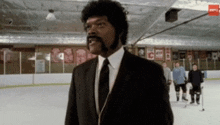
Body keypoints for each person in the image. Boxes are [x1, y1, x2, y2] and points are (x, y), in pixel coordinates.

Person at [65, 0, 173, 125]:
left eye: (100, 25)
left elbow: (162, 121)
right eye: (88, 26)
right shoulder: (80, 73)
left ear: (120, 30)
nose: (91, 31)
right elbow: (72, 120)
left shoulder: (149, 72)